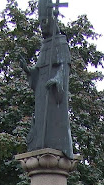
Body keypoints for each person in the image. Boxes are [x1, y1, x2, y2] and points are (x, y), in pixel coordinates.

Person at [20, 0, 73, 158]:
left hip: (53, 92)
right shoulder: (45, 46)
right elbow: (37, 73)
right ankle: (39, 142)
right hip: (42, 93)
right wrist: (27, 69)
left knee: (54, 122)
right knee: (41, 120)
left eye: (44, 21)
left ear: (51, 20)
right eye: (40, 23)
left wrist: (57, 80)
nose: (42, 26)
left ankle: (57, 144)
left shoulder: (61, 43)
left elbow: (65, 68)